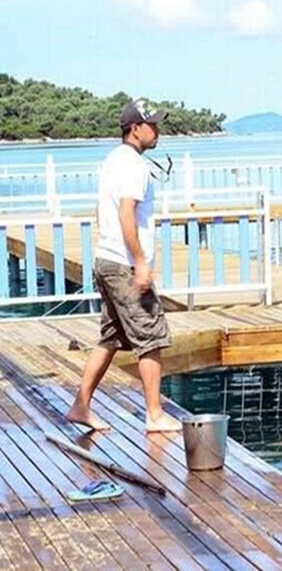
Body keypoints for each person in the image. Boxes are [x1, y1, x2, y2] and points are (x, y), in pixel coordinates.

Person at [66, 98, 182, 433]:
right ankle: (154, 414)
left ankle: (80, 406)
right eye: (152, 124)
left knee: (111, 337)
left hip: (108, 259)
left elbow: (103, 211)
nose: (157, 129)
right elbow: (125, 214)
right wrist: (140, 263)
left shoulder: (113, 160)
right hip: (125, 265)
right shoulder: (133, 165)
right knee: (152, 337)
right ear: (135, 130)